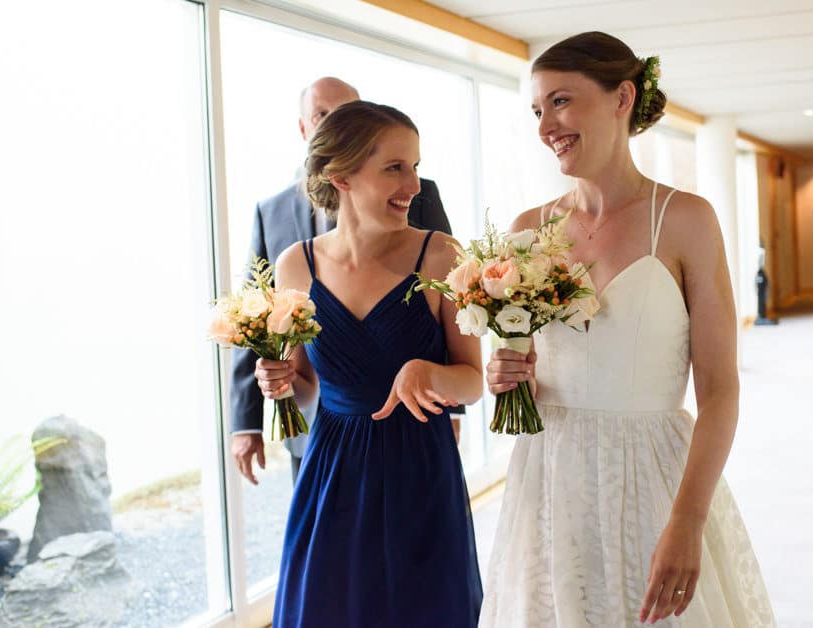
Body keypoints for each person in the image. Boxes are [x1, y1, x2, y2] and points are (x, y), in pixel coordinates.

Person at [479, 32, 776, 627]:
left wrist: (688, 521)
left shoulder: (687, 220)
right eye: (537, 110)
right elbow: (531, 374)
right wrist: (508, 375)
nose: (545, 126)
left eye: (561, 102)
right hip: (550, 477)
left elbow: (719, 392)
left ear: (621, 99)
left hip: (654, 476)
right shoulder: (525, 231)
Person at [254, 100, 483, 627]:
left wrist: (432, 374)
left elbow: (472, 380)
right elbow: (307, 384)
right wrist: (280, 381)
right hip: (333, 471)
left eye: (416, 166)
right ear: (343, 176)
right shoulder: (296, 265)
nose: (415, 185)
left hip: (420, 470)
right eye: (395, 168)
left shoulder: (441, 255)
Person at [229, 77, 456, 486]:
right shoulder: (275, 218)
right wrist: (248, 418)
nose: (339, 122)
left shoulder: (420, 204)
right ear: (304, 127)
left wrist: (450, 404)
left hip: (417, 435)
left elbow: (456, 318)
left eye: (350, 112)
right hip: (319, 444)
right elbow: (256, 316)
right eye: (323, 114)